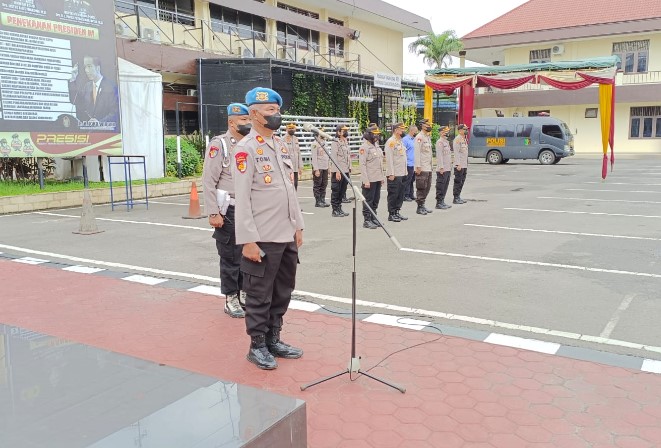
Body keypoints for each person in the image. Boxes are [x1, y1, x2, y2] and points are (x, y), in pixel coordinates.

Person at [234, 87, 305, 370]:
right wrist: (248, 240)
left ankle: (275, 338)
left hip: (286, 234)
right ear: (253, 114)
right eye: (270, 111)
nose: (276, 115)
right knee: (259, 294)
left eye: (277, 110)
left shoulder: (280, 145)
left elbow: (290, 190)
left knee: (283, 291)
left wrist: (298, 225)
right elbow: (242, 199)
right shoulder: (245, 149)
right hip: (262, 238)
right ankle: (258, 345)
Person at [202, 102, 252, 319]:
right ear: (232, 122)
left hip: (248, 212)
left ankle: (243, 294)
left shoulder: (251, 144)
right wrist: (213, 212)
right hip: (228, 210)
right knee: (230, 257)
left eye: (249, 120)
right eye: (244, 120)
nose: (248, 124)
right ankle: (230, 298)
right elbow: (208, 180)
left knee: (248, 256)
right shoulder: (219, 145)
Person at [68, 56, 119, 128]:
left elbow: (115, 112)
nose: (86, 70)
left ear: (98, 68)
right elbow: (75, 101)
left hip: (107, 132)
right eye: (85, 67)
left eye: (89, 66)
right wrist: (73, 79)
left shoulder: (111, 86)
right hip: (91, 132)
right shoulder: (87, 86)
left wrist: (99, 123)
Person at [358, 123, 384, 229]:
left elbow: (380, 163)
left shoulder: (376, 146)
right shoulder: (364, 147)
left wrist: (382, 177)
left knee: (375, 199)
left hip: (377, 178)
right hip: (369, 179)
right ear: (369, 135)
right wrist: (366, 180)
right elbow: (362, 165)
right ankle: (367, 220)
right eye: (375, 134)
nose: (377, 136)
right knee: (368, 200)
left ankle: (374, 217)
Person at [384, 122, 409, 222]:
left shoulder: (400, 141)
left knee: (400, 194)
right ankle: (391, 213)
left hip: (402, 172)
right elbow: (389, 159)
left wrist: (406, 171)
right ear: (396, 130)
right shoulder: (391, 142)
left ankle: (397, 211)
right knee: (393, 194)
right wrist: (391, 173)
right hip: (395, 173)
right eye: (401, 129)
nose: (403, 131)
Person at [330, 124, 351, 218]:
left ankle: (339, 208)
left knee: (342, 190)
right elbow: (334, 157)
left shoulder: (345, 141)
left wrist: (349, 167)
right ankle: (335, 209)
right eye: (344, 130)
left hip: (345, 170)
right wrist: (337, 171)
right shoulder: (335, 142)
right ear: (339, 132)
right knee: (336, 190)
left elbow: (348, 156)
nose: (346, 132)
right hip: (338, 171)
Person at [414, 120, 434, 215]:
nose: (429, 126)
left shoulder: (427, 137)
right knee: (421, 187)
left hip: (428, 166)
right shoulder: (419, 137)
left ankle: (423, 204)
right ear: (422, 126)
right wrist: (418, 166)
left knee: (427, 186)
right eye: (427, 125)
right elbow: (417, 152)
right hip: (422, 167)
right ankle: (419, 206)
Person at [310, 128, 330, 207]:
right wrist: (316, 169)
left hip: (325, 166)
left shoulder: (325, 143)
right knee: (317, 184)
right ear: (319, 134)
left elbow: (327, 156)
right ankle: (318, 201)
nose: (325, 135)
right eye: (323, 133)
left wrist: (328, 167)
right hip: (318, 167)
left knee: (324, 184)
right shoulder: (315, 144)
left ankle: (323, 199)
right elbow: (314, 157)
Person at [435, 126, 453, 210]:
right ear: (441, 132)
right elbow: (439, 156)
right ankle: (439, 202)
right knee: (441, 186)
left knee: (445, 185)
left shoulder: (446, 142)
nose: (447, 133)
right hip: (442, 168)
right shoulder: (440, 142)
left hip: (447, 167)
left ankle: (442, 201)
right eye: (445, 131)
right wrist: (441, 167)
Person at [283, 123, 303, 190]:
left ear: (295, 129)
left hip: (295, 167)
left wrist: (300, 166)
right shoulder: (283, 139)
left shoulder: (296, 139)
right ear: (286, 129)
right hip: (287, 167)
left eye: (293, 128)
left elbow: (298, 153)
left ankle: (294, 199)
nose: (291, 130)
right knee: (289, 185)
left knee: (295, 184)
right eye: (290, 128)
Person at [453, 124, 469, 204]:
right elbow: (456, 153)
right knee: (458, 181)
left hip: (464, 164)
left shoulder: (464, 139)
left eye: (466, 129)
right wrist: (458, 164)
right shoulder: (457, 139)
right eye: (464, 129)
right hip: (459, 165)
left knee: (462, 181)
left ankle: (458, 196)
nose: (466, 130)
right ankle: (456, 198)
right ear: (460, 130)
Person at [402, 124, 417, 202]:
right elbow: (403, 151)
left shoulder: (414, 139)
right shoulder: (405, 139)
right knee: (407, 180)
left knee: (412, 180)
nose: (416, 132)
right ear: (411, 131)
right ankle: (405, 195)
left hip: (414, 163)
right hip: (408, 163)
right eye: (415, 131)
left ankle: (411, 194)